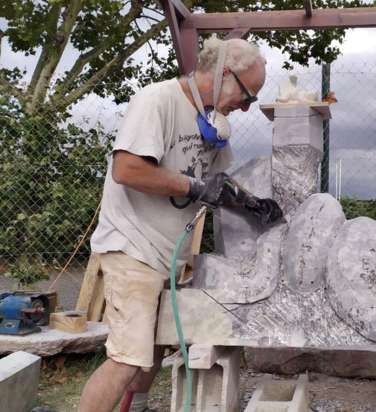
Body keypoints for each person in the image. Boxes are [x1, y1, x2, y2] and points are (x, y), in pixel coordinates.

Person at [78, 37, 267, 412]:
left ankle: (139, 405)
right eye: (248, 96)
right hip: (132, 246)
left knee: (155, 344)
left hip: (168, 253)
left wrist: (252, 203)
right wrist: (193, 186)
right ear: (224, 74)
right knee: (127, 357)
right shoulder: (158, 102)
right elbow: (126, 169)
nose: (245, 108)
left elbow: (220, 182)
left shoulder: (214, 124)